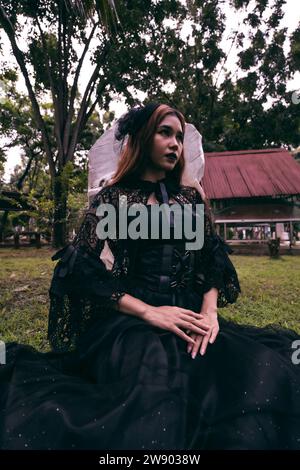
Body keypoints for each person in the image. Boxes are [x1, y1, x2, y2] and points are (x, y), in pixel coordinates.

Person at [0, 102, 300, 451]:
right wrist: (149, 312)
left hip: (188, 314)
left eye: (178, 136)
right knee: (155, 386)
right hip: (130, 322)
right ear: (143, 138)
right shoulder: (114, 200)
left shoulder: (190, 200)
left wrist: (210, 311)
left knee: (257, 372)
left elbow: (211, 260)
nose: (175, 143)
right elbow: (81, 269)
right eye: (165, 133)